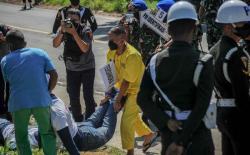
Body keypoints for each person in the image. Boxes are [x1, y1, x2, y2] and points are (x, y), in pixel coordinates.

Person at [137, 1, 215, 155]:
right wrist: (182, 141)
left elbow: (142, 99)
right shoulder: (204, 61)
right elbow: (201, 107)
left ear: (169, 29)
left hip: (169, 136)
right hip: (198, 138)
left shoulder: (154, 61)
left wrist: (165, 122)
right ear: (194, 28)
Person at [0, 29, 58, 155]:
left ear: (9, 45)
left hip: (18, 103)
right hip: (41, 100)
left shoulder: (5, 61)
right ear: (25, 43)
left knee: (21, 136)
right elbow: (54, 75)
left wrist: (7, 106)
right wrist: (48, 91)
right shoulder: (40, 53)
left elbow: (8, 85)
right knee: (47, 132)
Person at [0, 93, 118, 154]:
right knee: (92, 121)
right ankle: (112, 99)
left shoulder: (55, 113)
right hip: (78, 128)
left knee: (107, 130)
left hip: (81, 138)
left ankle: (116, 99)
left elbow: (69, 144)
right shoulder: (53, 99)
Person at [106, 26, 158, 155]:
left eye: (112, 39)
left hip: (138, 90)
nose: (109, 42)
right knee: (132, 117)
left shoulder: (133, 55)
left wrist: (118, 99)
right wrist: (108, 94)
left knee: (126, 121)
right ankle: (149, 134)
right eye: (108, 38)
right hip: (123, 88)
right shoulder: (111, 52)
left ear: (122, 40)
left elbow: (127, 81)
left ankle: (130, 152)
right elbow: (110, 75)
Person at [213, 1, 250, 154]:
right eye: (243, 24)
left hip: (222, 114)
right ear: (228, 26)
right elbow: (242, 96)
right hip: (237, 116)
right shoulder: (236, 54)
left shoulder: (214, 50)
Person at [53, 8, 96, 121]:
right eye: (69, 19)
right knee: (73, 96)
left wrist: (74, 33)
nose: (71, 23)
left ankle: (91, 120)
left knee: (88, 96)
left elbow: (85, 48)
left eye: (74, 20)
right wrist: (62, 31)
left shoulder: (86, 29)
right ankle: (77, 119)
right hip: (71, 68)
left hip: (87, 68)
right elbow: (55, 44)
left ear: (80, 20)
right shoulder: (64, 29)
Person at [0, 24, 10, 119]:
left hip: (7, 61)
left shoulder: (3, 27)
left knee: (9, 86)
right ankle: (2, 109)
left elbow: (13, 38)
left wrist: (3, 38)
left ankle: (8, 109)